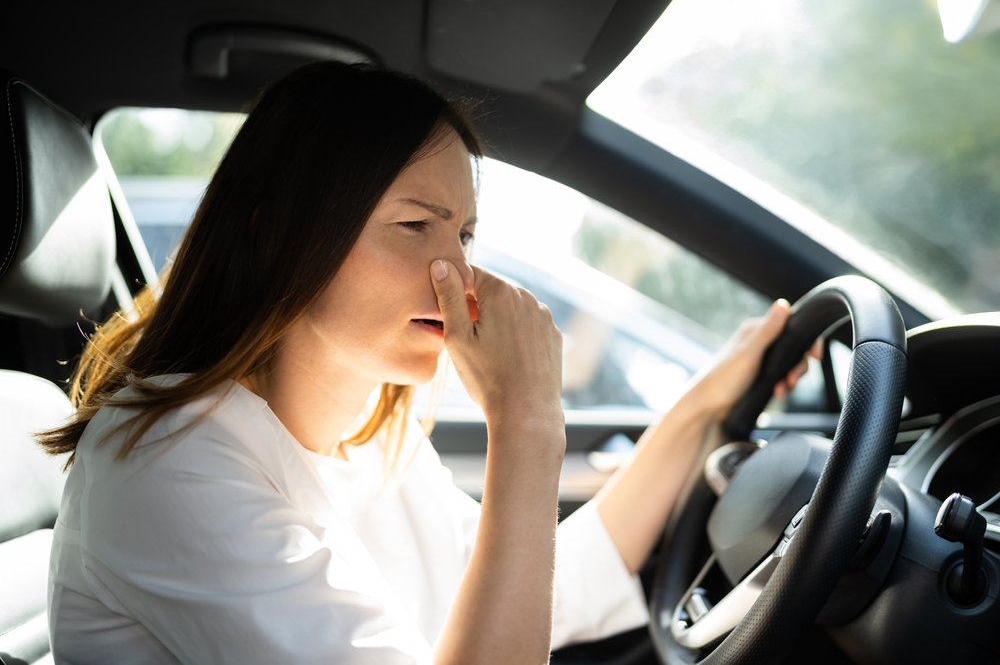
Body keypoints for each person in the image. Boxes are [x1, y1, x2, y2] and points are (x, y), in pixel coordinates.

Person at [40, 62, 815, 665]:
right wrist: (525, 421)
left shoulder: (371, 435)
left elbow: (547, 587)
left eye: (465, 236)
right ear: (279, 236)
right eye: (416, 225)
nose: (460, 276)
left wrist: (705, 402)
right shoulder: (168, 458)